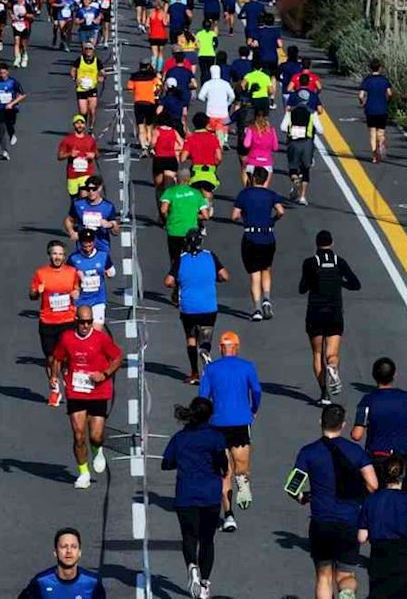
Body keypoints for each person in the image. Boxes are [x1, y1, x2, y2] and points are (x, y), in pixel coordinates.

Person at [288, 404, 378, 599]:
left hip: (321, 521)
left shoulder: (308, 452)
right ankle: (347, 591)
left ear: (320, 422)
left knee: (323, 576)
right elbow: (373, 485)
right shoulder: (356, 452)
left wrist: (302, 497)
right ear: (343, 425)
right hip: (349, 521)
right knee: (346, 574)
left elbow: (292, 487)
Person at [49, 304, 125, 489]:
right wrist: (54, 376)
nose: (85, 326)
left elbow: (118, 358)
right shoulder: (67, 338)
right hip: (76, 391)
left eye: (89, 322)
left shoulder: (101, 339)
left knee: (96, 436)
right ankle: (83, 473)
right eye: (82, 322)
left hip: (98, 391)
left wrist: (104, 374)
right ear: (76, 321)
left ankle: (97, 449)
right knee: (78, 435)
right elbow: (57, 357)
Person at [162, 397, 229, 599]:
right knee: (207, 540)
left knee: (189, 536)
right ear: (210, 415)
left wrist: (183, 461)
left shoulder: (179, 438)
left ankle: (192, 565)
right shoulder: (216, 437)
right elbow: (223, 464)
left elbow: (166, 463)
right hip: (210, 495)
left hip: (186, 494)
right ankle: (205, 584)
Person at [198, 331, 261, 533]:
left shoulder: (211, 369)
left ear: (220, 349)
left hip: (218, 423)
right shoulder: (247, 366)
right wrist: (253, 408)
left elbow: (203, 397)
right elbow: (257, 391)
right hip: (241, 422)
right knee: (241, 466)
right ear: (237, 348)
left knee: (223, 472)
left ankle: (229, 515)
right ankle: (243, 480)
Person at [299, 231, 361, 405]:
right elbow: (356, 284)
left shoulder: (310, 263)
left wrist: (313, 283)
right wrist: (340, 282)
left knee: (317, 353)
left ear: (316, 244)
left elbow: (302, 288)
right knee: (332, 353)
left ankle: (324, 393)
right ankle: (332, 367)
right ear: (332, 243)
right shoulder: (339, 262)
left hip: (315, 313)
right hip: (334, 313)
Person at [351, 357, 407, 494]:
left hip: (377, 457)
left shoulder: (367, 400)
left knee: (376, 497)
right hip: (401, 459)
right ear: (394, 375)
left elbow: (356, 435)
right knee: (402, 497)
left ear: (374, 375)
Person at [164, 229, 229, 384]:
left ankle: (194, 373)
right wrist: (215, 279)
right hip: (208, 307)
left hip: (188, 307)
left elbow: (168, 281)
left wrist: (178, 284)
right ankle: (205, 351)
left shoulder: (181, 259)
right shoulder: (210, 255)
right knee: (206, 336)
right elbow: (225, 276)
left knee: (191, 337)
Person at [357, 454, 407, 599]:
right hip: (405, 556)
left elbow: (362, 537)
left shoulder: (371, 500)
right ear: (403, 476)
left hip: (379, 558)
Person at [32, 240, 82, 407]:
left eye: (60, 254)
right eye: (54, 253)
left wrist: (76, 293)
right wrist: (36, 292)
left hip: (67, 320)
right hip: (48, 321)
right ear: (49, 255)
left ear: (64, 256)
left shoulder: (71, 272)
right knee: (51, 358)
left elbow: (77, 289)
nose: (57, 257)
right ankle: (54, 390)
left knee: (65, 357)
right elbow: (32, 295)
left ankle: (68, 384)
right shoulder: (41, 273)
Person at [231, 167, 285, 322]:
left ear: (253, 178)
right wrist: (272, 220)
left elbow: (234, 216)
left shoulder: (244, 194)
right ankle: (267, 298)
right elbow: (281, 211)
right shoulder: (271, 194)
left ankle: (257, 309)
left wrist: (246, 217)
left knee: (254, 274)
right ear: (266, 179)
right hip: (268, 236)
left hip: (251, 236)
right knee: (266, 268)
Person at [17, 528, 107, 598]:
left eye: (74, 547)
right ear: (55, 552)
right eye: (64, 546)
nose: (69, 551)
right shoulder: (40, 582)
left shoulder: (93, 583)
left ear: (79, 552)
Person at [159, 170, 212, 272]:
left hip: (174, 230)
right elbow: (206, 216)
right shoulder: (196, 193)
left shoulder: (170, 192)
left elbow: (163, 210)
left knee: (175, 259)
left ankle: (175, 276)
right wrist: (194, 215)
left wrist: (169, 218)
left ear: (176, 179)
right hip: (191, 233)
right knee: (190, 257)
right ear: (189, 179)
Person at [69, 229, 116, 329]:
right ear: (80, 242)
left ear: (94, 241)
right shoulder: (73, 258)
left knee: (97, 329)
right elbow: (67, 277)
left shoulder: (103, 256)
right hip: (80, 300)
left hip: (98, 299)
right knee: (82, 329)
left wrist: (109, 273)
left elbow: (112, 272)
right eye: (85, 241)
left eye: (90, 241)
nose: (87, 244)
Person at [65, 175, 121, 257]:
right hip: (83, 247)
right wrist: (72, 232)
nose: (91, 192)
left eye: (94, 189)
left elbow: (116, 231)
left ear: (100, 188)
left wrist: (110, 225)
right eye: (88, 189)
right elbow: (69, 220)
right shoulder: (78, 204)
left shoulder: (108, 207)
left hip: (102, 247)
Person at [0, 63, 27, 160]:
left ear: (7, 72)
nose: (2, 75)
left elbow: (23, 94)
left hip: (11, 108)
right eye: (0, 73)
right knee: (1, 129)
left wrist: (11, 104)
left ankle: (12, 134)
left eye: (4, 73)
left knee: (10, 124)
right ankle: (4, 151)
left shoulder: (13, 82)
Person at [281, 103, 319, 205]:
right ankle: (302, 197)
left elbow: (283, 127)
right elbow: (320, 129)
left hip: (293, 143)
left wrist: (292, 129)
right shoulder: (312, 113)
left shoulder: (290, 112)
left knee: (293, 167)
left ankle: (295, 180)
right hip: (307, 143)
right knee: (305, 170)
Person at [181, 111, 223, 202]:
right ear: (207, 124)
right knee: (207, 191)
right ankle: (209, 206)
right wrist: (215, 164)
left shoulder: (190, 139)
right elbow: (219, 157)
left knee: (195, 193)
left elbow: (183, 158)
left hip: (195, 172)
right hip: (210, 172)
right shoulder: (213, 138)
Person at [358, 59, 394, 163]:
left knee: (372, 133)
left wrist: (363, 103)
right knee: (381, 132)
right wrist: (387, 101)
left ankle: (374, 156)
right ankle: (381, 143)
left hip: (370, 109)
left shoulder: (367, 80)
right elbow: (390, 93)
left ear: (370, 68)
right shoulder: (384, 80)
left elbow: (361, 95)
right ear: (380, 68)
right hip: (382, 109)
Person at [58, 114, 100, 199]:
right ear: (74, 125)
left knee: (84, 198)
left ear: (84, 125)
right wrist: (70, 154)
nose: (80, 125)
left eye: (82, 123)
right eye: (77, 123)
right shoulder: (67, 140)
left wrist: (93, 155)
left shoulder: (90, 139)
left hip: (86, 174)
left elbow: (97, 154)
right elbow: (59, 156)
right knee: (74, 200)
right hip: (72, 175)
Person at [196, 64, 234, 147]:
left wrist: (207, 99)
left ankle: (211, 142)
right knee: (224, 126)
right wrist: (227, 103)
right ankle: (225, 140)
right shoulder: (225, 83)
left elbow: (200, 96)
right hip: (223, 112)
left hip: (211, 111)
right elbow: (232, 96)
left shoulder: (208, 84)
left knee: (210, 128)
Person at [128, 59, 161, 154]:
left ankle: (143, 147)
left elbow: (130, 89)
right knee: (149, 126)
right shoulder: (152, 76)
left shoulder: (134, 76)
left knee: (140, 126)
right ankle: (150, 145)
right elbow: (159, 85)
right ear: (148, 66)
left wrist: (137, 93)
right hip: (150, 103)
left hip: (139, 103)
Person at [72, 42, 103, 131]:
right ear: (84, 50)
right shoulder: (79, 60)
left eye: (90, 49)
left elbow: (102, 72)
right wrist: (75, 78)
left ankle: (91, 128)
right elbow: (73, 70)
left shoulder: (97, 61)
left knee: (92, 110)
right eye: (86, 49)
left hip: (92, 88)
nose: (88, 50)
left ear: (93, 50)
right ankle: (82, 126)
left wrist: (101, 77)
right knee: (83, 111)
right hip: (81, 89)